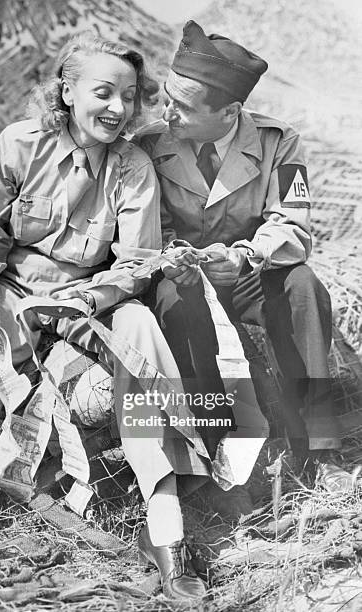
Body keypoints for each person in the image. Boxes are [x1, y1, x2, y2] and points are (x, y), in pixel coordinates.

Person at [0, 32, 209, 600]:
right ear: (67, 92)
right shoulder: (19, 144)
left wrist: (90, 300)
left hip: (93, 295)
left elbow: (136, 261)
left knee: (142, 337)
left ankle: (169, 538)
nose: (117, 108)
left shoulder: (132, 168)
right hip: (13, 291)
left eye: (129, 97)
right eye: (103, 92)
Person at [137, 20, 352, 491]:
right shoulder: (149, 146)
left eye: (182, 106)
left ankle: (320, 450)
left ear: (230, 111)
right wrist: (176, 255)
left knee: (302, 286)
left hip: (252, 273)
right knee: (173, 303)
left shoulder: (279, 141)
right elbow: (146, 223)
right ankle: (217, 450)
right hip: (188, 276)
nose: (165, 112)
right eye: (167, 97)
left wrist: (244, 256)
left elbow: (293, 226)